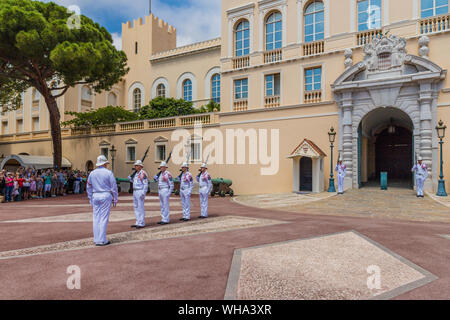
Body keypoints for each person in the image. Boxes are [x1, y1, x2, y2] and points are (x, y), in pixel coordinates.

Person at [86, 155, 118, 246]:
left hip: (95, 195)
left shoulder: (92, 173)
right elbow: (114, 187)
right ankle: (102, 239)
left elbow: (88, 186)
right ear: (104, 164)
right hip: (105, 194)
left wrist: (90, 197)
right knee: (104, 218)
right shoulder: (108, 173)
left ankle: (96, 239)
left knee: (96, 217)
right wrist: (115, 198)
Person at [128, 160, 149, 229]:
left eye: (136, 165)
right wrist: (130, 179)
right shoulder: (136, 174)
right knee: (136, 207)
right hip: (135, 191)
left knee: (140, 207)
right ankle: (137, 221)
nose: (135, 167)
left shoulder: (143, 173)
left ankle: (141, 222)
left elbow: (145, 184)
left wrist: (143, 193)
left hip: (140, 191)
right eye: (135, 165)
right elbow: (134, 182)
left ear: (140, 166)